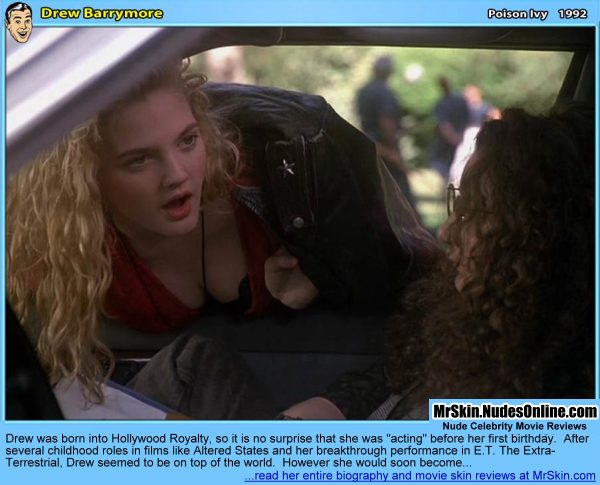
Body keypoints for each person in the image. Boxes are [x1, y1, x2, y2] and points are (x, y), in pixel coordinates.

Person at [7, 61, 434, 417]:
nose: (176, 175)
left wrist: (328, 277)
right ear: (87, 177)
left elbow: (422, 290)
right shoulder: (63, 245)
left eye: (188, 141)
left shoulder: (282, 191)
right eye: (139, 160)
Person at [283, 103, 595, 419]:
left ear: (544, 234)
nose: (447, 231)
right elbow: (390, 381)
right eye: (459, 206)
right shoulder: (477, 324)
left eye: (477, 212)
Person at [356, 55, 418, 212]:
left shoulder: (363, 91)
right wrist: (392, 151)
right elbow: (386, 122)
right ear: (389, 72)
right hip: (385, 150)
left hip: (369, 147)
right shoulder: (384, 92)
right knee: (401, 199)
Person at [448, 84, 499, 185]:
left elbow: (496, 116)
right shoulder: (465, 108)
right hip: (467, 134)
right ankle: (457, 181)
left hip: (479, 133)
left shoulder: (485, 107)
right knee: (462, 157)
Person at [430, 76, 469, 182]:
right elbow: (465, 120)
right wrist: (459, 138)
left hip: (446, 141)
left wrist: (454, 138)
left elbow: (444, 125)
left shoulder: (442, 103)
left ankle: (446, 183)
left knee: (442, 164)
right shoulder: (461, 101)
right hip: (458, 139)